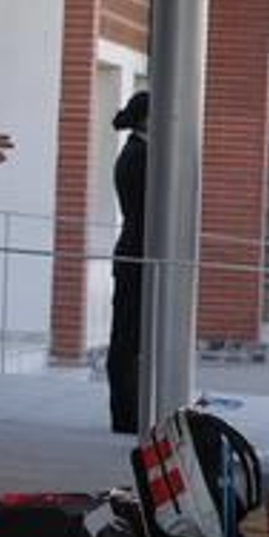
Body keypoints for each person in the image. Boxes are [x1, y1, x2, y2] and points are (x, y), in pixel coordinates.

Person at [106, 93, 148, 435]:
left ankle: (131, 409)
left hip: (134, 252)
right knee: (126, 337)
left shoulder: (139, 152)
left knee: (130, 335)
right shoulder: (139, 155)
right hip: (136, 254)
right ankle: (125, 414)